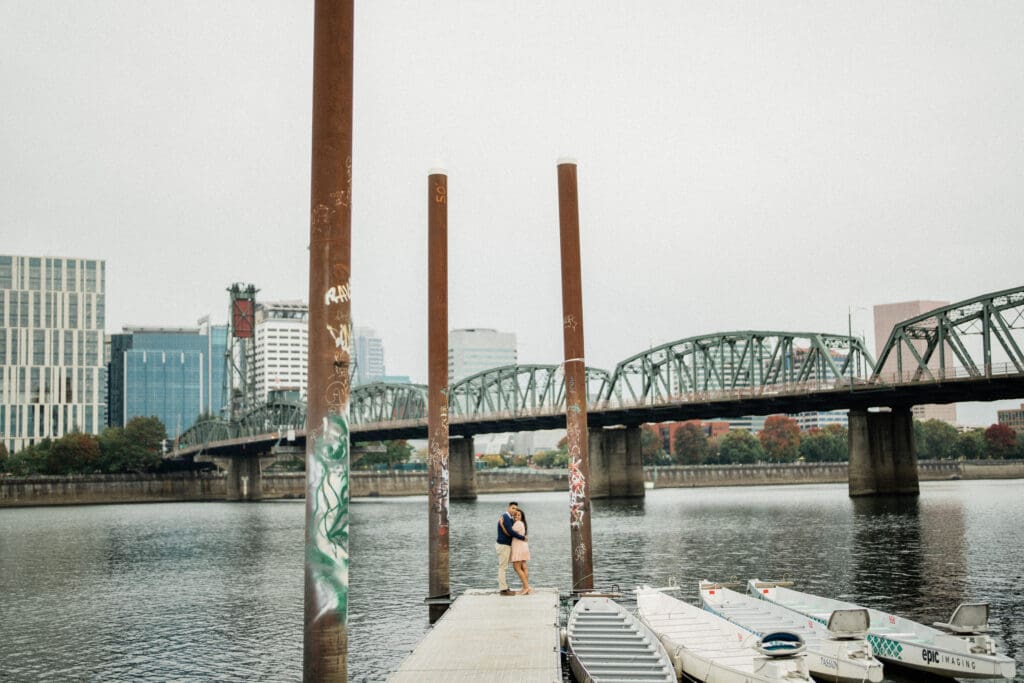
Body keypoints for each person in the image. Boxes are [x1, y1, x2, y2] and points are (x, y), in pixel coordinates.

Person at [496, 501, 526, 595]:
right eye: (513, 508)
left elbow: (512, 530)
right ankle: (503, 589)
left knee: (504, 567)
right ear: (508, 508)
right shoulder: (505, 517)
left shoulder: (510, 519)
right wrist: (523, 537)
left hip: (506, 545)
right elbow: (510, 532)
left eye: (516, 509)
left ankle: (506, 587)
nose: (514, 510)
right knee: (503, 567)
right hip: (503, 545)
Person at [510, 508, 531, 595]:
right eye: (515, 515)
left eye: (519, 515)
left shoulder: (518, 523)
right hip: (523, 546)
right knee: (523, 567)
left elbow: (510, 532)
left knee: (517, 567)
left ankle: (526, 587)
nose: (517, 516)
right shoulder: (522, 524)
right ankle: (526, 587)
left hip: (519, 547)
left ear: (522, 517)